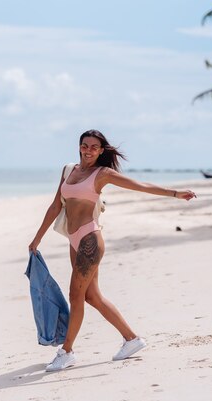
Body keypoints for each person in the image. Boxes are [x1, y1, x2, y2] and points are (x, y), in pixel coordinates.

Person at [28, 129, 196, 372]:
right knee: (91, 296)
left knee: (76, 296)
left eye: (94, 147)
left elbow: (140, 185)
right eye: (84, 145)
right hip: (73, 239)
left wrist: (175, 194)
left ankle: (66, 352)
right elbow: (56, 206)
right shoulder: (68, 170)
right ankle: (132, 339)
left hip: (89, 240)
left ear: (101, 150)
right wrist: (37, 238)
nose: (88, 150)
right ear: (79, 147)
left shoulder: (102, 174)